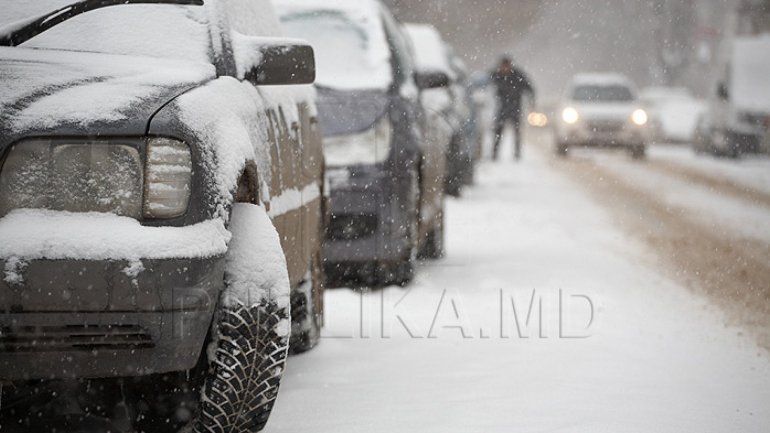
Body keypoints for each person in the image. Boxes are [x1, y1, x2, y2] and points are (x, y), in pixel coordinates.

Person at [491, 56, 535, 160]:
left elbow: (529, 87)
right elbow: (487, 84)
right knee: (498, 131)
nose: (505, 68)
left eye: (507, 66)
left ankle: (517, 154)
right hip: (501, 108)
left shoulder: (517, 76)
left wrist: (532, 101)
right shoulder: (496, 75)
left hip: (515, 108)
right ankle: (494, 153)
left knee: (517, 132)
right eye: (503, 66)